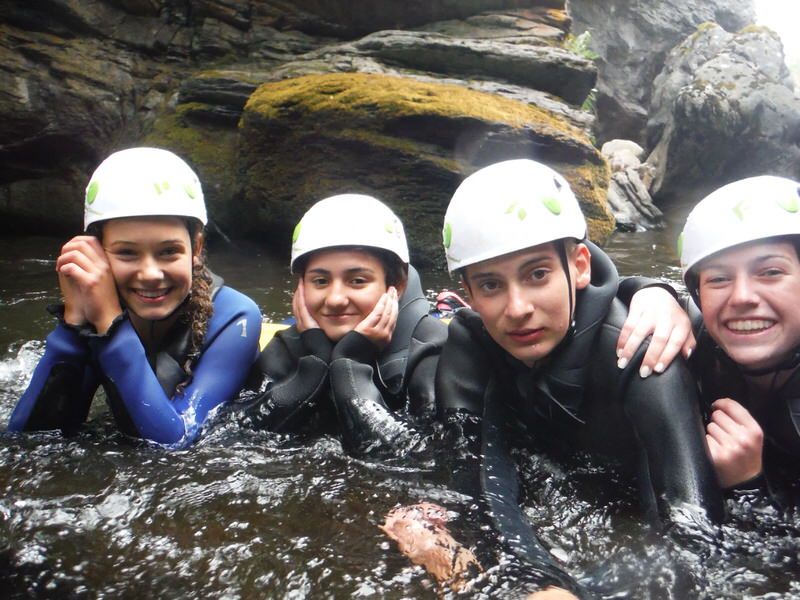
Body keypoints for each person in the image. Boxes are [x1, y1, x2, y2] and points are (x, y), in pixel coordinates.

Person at [434, 159, 724, 582]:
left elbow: (691, 529)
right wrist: (531, 578)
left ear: (580, 265)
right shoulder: (469, 348)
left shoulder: (640, 348)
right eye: (491, 285)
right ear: (470, 296)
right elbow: (474, 477)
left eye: (537, 274)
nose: (517, 309)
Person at [7, 147, 262, 446]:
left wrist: (110, 325)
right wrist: (73, 323)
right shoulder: (94, 306)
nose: (151, 274)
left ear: (195, 248)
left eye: (169, 251)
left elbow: (176, 442)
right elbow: (27, 440)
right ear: (98, 252)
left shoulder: (236, 316)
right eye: (127, 253)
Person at [240, 194, 447, 456]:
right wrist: (313, 366)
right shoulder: (286, 346)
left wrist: (350, 364)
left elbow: (427, 461)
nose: (335, 299)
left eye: (357, 281)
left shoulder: (431, 349)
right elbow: (234, 433)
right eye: (320, 281)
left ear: (397, 285)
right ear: (301, 286)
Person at [678, 175, 800, 502]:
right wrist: (653, 293)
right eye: (719, 279)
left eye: (771, 272)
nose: (742, 297)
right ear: (698, 294)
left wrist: (747, 486)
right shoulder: (694, 333)